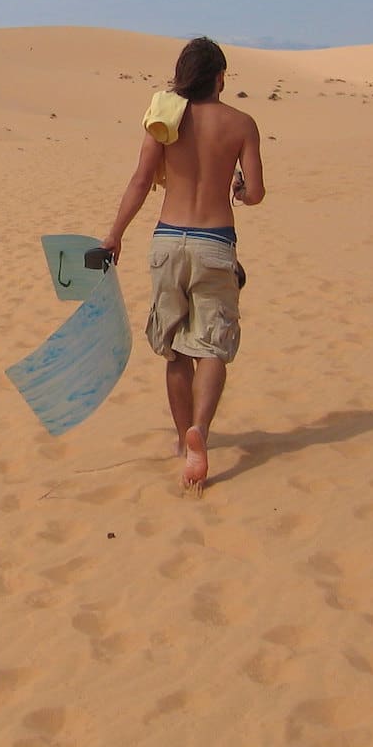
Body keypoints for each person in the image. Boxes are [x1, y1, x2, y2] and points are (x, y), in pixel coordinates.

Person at [100, 37, 264, 495]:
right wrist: (237, 186)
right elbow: (255, 192)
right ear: (220, 78)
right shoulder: (241, 123)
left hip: (168, 239)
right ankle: (200, 436)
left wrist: (115, 233)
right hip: (215, 241)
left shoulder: (164, 120)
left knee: (174, 346)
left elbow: (139, 181)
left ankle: (180, 437)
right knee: (211, 347)